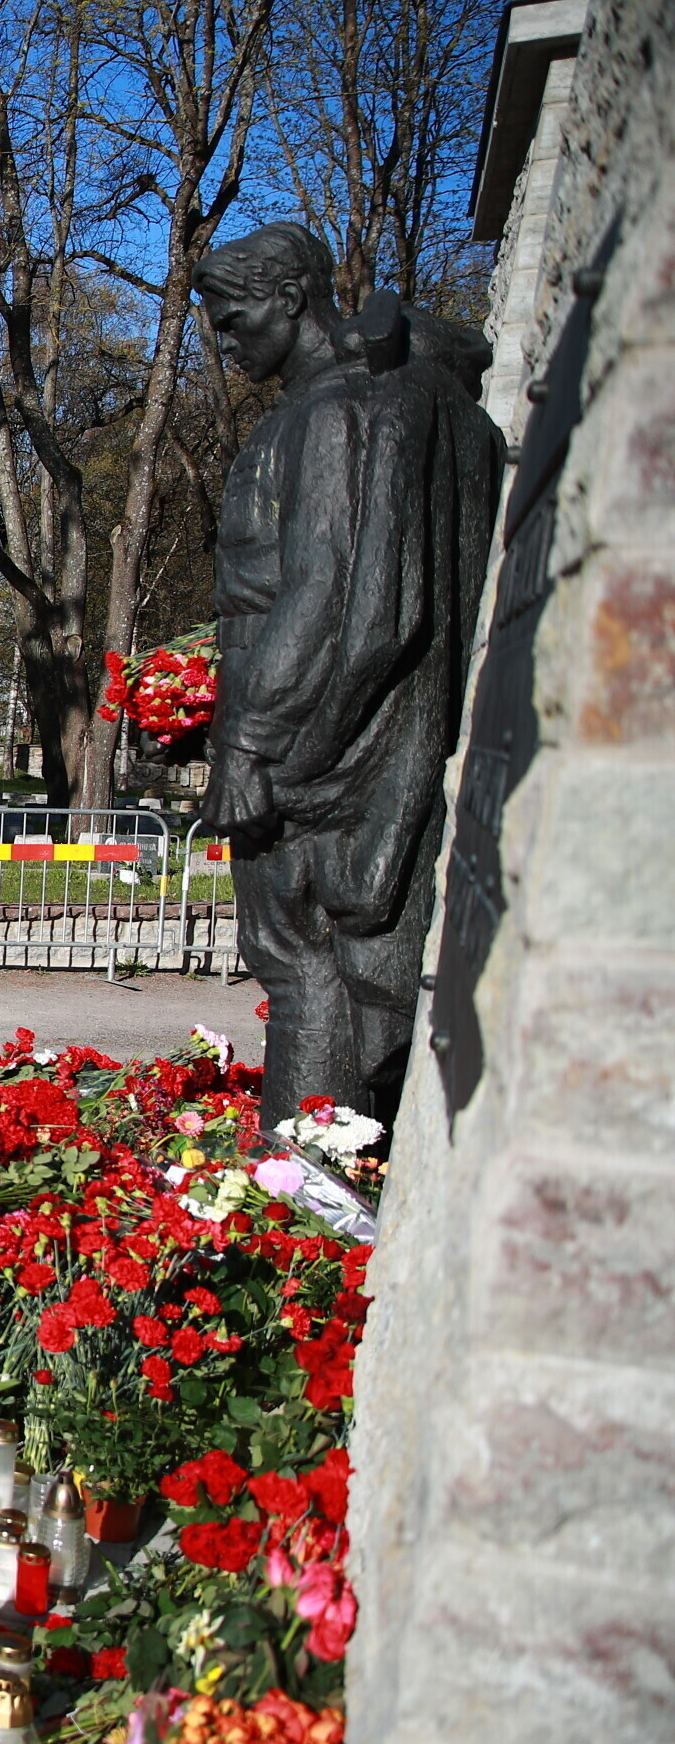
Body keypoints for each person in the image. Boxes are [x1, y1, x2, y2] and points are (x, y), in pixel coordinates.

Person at [191, 222, 499, 1126]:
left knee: (300, 964)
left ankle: (304, 1190)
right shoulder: (406, 401)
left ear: (291, 297)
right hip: (357, 731)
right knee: (319, 967)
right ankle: (325, 1167)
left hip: (320, 747)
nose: (225, 341)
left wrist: (247, 742)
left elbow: (331, 599)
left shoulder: (338, 412)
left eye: (233, 317)